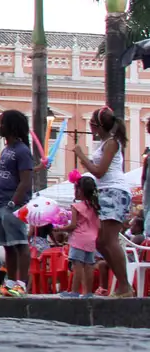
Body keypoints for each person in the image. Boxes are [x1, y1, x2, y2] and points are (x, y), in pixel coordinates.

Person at [74, 106, 133, 297]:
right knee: (100, 242)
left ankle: (124, 285)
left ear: (96, 126)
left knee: (109, 240)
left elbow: (100, 171)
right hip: (107, 192)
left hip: (115, 191)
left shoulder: (111, 143)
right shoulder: (107, 142)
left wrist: (81, 156)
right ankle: (123, 284)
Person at [0, 109, 34, 297]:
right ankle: (9, 282)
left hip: (12, 206)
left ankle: (21, 283)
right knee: (8, 246)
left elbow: (26, 180)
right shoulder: (6, 150)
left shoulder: (22, 150)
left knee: (20, 244)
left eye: (3, 122)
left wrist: (13, 202)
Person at [56, 174, 101, 298]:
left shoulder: (76, 206)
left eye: (76, 189)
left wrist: (59, 229)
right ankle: (88, 293)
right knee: (89, 265)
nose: (75, 192)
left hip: (78, 240)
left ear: (80, 191)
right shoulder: (95, 207)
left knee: (78, 266)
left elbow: (73, 225)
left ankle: (74, 292)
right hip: (92, 239)